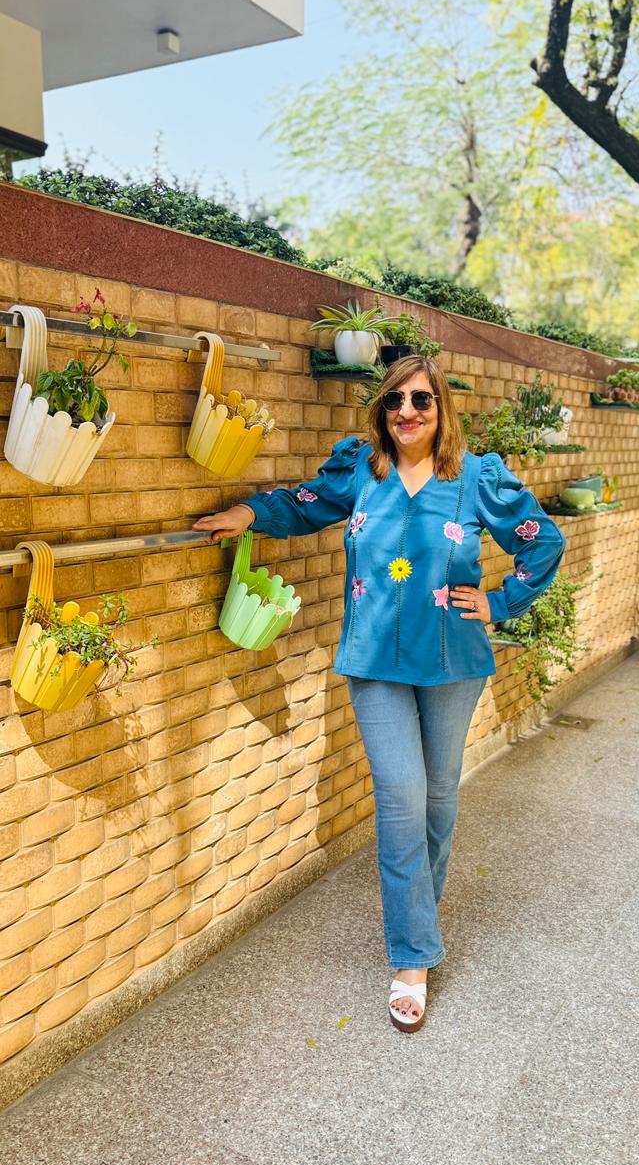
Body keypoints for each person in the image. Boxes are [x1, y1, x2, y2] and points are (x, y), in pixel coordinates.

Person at [194, 355, 566, 1033]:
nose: (408, 412)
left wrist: (500, 601)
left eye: (421, 400)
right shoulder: (362, 472)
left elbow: (542, 541)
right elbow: (302, 506)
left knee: (438, 800)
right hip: (373, 660)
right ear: (382, 412)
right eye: (395, 401)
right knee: (400, 793)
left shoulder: (475, 477)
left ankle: (415, 922)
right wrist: (247, 512)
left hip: (453, 659)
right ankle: (413, 956)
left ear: (441, 409)